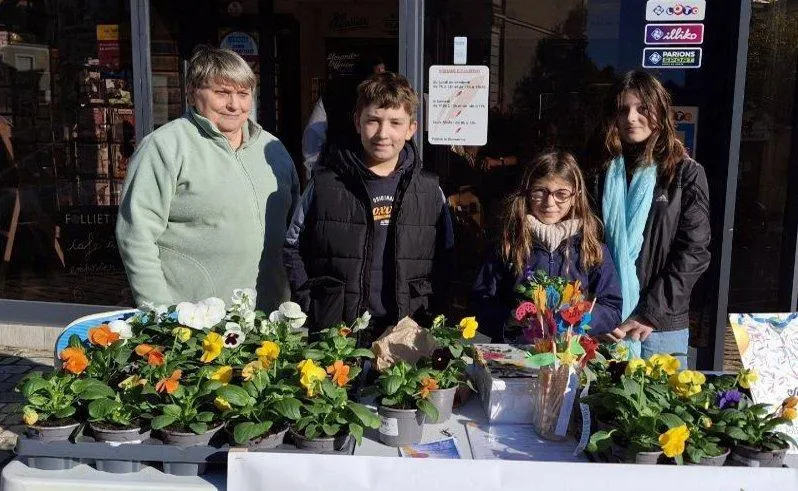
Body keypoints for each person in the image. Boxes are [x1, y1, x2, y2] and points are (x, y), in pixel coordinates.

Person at [116, 46, 299, 310]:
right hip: (194, 323)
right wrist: (160, 313)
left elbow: (295, 230)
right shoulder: (165, 147)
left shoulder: (273, 150)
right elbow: (136, 236)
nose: (234, 105)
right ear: (192, 93)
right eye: (222, 93)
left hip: (269, 319)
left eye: (243, 94)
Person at [284, 72, 454, 344]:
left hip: (408, 331)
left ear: (411, 128)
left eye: (395, 122)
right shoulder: (326, 185)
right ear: (357, 122)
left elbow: (447, 258)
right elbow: (293, 246)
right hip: (338, 333)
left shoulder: (429, 190)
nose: (383, 133)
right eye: (373, 120)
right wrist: (311, 304)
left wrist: (433, 312)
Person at [590, 70, 711, 367]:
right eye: (623, 110)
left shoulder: (684, 173)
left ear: (659, 111)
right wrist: (599, 313)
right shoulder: (599, 173)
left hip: (660, 327)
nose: (631, 118)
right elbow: (585, 246)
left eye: (642, 108)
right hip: (606, 326)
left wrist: (650, 313)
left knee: (660, 398)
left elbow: (694, 252)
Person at [471, 151, 622, 342]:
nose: (549, 202)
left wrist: (581, 317)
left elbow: (612, 307)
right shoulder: (508, 244)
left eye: (561, 194)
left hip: (569, 351)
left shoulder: (591, 248)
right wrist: (508, 318)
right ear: (527, 193)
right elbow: (480, 300)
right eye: (540, 191)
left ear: (575, 197)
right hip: (515, 350)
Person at [301, 56, 386, 179]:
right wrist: (317, 173)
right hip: (338, 170)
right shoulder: (335, 96)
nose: (381, 79)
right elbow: (313, 136)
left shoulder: (386, 100)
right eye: (378, 73)